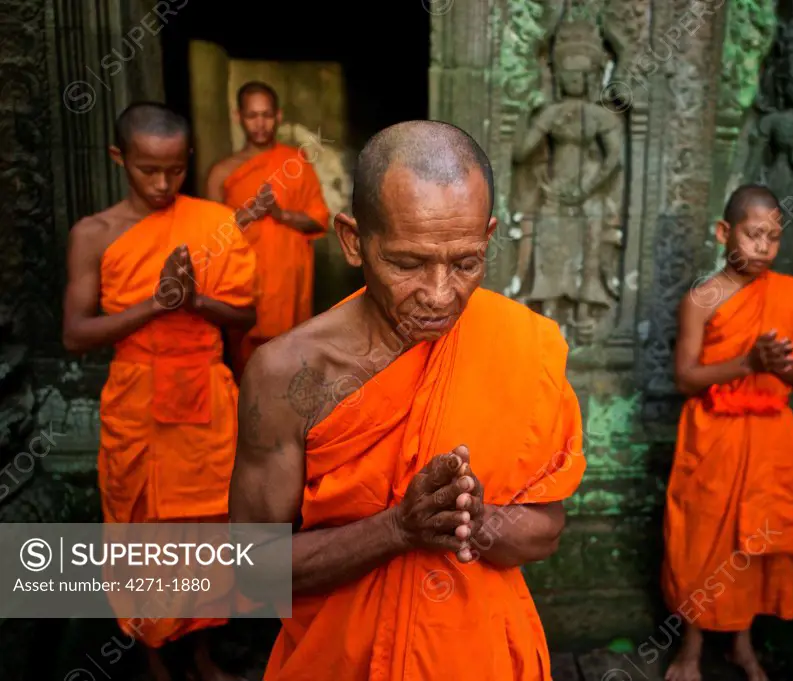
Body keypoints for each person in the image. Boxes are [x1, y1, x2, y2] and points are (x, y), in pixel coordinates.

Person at [228, 120, 586, 681]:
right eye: (408, 263)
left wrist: (474, 518)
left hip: (480, 657)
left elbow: (547, 529)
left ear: (488, 235)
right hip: (340, 661)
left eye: (466, 262)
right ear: (353, 240)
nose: (441, 295)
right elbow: (250, 571)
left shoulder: (523, 343)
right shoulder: (287, 374)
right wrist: (397, 529)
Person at [62, 102, 257, 681]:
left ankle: (200, 650)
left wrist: (194, 301)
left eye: (173, 170)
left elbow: (245, 316)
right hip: (138, 401)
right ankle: (153, 652)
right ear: (119, 158)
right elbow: (76, 334)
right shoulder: (93, 234)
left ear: (187, 161)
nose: (162, 183)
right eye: (148, 170)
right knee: (142, 531)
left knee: (209, 530)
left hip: (204, 394)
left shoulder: (215, 222)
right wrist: (155, 305)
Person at [661, 185, 793, 681]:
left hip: (771, 438)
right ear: (724, 232)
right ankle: (691, 648)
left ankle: (742, 644)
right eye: (753, 234)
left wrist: (782, 369)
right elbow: (685, 377)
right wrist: (747, 362)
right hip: (713, 434)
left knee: (758, 545)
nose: (763, 246)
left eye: (773, 237)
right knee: (701, 541)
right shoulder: (703, 298)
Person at [205, 80, 330, 379]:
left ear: (278, 115)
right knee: (248, 369)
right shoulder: (223, 172)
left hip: (289, 284)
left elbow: (319, 220)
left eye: (266, 115)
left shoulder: (296, 163)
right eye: (252, 115)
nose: (260, 123)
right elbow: (208, 237)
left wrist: (280, 213)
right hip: (244, 284)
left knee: (290, 365)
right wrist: (249, 214)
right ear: (239, 117)